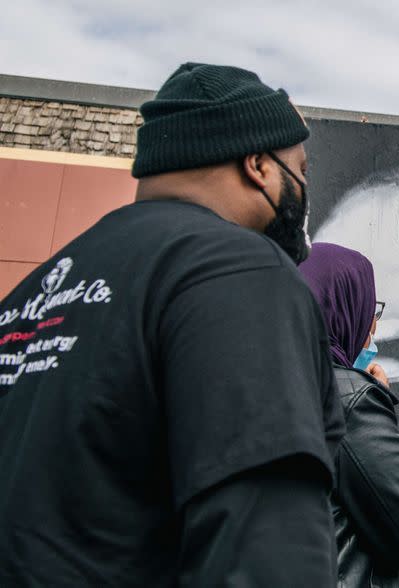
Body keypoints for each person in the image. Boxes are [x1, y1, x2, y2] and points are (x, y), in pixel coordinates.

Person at [0, 63, 345, 586]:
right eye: (300, 168)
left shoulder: (35, 292)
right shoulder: (237, 270)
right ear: (259, 165)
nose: (303, 188)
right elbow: (267, 546)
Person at [299, 242, 399, 588]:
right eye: (371, 310)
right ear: (343, 307)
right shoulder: (346, 399)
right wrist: (378, 406)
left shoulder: (261, 380)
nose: (373, 328)